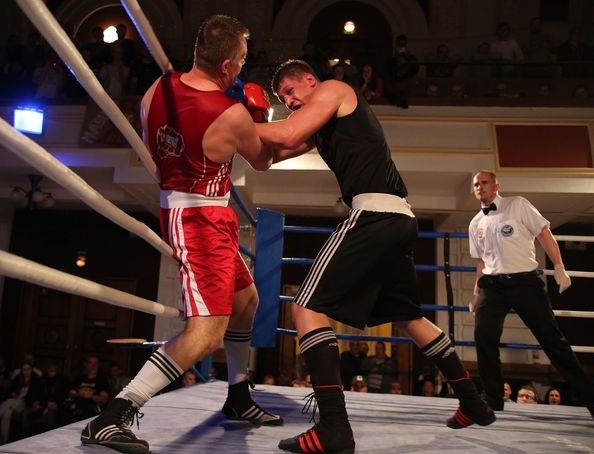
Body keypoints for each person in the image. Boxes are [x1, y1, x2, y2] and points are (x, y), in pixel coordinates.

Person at [257, 59, 495, 454]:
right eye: (282, 97)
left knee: (305, 307)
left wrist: (230, 119)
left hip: (374, 214)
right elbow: (264, 158)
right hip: (399, 218)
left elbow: (285, 132)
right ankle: (473, 402)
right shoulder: (320, 126)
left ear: (310, 80)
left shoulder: (334, 89)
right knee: (409, 319)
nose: (288, 100)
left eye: (290, 91)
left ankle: (334, 427)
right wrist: (242, 126)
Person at [80, 15, 279, 454]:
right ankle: (112, 415)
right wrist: (285, 123)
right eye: (242, 60)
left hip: (189, 203)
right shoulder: (230, 114)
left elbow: (158, 140)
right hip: (198, 220)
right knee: (206, 334)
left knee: (246, 303)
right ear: (227, 66)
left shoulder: (158, 88)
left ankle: (238, 397)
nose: (244, 68)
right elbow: (264, 160)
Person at [468, 171, 594, 419]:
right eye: (475, 184)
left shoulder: (518, 204)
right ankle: (492, 399)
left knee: (553, 341)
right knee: (484, 338)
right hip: (492, 286)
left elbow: (543, 232)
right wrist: (476, 292)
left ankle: (590, 398)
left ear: (495, 185)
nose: (479, 187)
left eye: (484, 182)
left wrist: (559, 266)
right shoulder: (475, 223)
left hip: (525, 282)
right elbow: (482, 262)